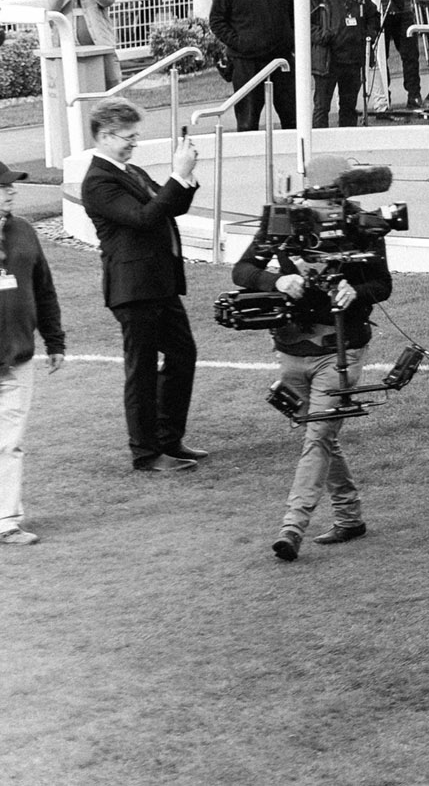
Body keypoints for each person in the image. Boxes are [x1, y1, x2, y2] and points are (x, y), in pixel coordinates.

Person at [232, 161, 393, 561]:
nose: (330, 208)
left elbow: (382, 284)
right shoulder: (283, 220)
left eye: (336, 200)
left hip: (341, 349)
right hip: (291, 349)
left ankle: (292, 527)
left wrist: (355, 292)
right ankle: (350, 517)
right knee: (321, 437)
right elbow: (242, 270)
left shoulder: (362, 224)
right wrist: (277, 280)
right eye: (323, 199)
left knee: (318, 436)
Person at [79, 100, 207, 472]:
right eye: (129, 136)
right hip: (133, 288)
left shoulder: (131, 171)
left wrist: (185, 177)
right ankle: (146, 453)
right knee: (143, 369)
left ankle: (169, 439)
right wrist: (177, 175)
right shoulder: (98, 181)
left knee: (183, 354)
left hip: (159, 283)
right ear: (105, 136)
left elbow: (170, 207)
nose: (135, 142)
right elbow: (143, 217)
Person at [0, 161, 65, 545]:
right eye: (3, 187)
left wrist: (54, 340)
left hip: (18, 356)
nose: (12, 191)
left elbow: (44, 288)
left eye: (11, 186)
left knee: (10, 442)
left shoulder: (24, 230)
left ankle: (6, 521)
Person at [207, 0, 298, 132]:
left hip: (281, 61)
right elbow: (217, 20)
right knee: (247, 123)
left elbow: (294, 14)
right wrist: (240, 43)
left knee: (292, 118)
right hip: (246, 63)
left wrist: (290, 41)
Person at [308, 0, 378, 129]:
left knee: (349, 106)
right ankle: (320, 142)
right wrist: (324, 36)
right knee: (322, 106)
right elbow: (305, 25)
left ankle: (348, 140)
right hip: (327, 59)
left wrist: (367, 36)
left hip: (353, 57)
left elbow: (373, 16)